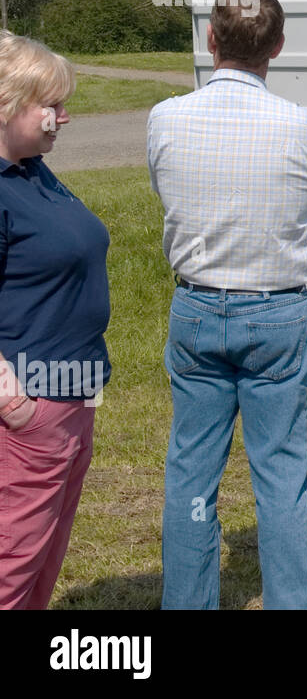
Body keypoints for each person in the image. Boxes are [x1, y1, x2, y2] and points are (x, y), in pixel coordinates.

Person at [148, 0, 307, 610]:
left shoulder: (166, 117)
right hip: (277, 310)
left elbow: (167, 188)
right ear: (278, 48)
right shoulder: (306, 125)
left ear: (211, 39)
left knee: (192, 471)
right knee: (281, 472)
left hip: (199, 306)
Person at [0, 32, 110, 610]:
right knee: (12, 559)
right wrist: (12, 402)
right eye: (53, 105)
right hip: (30, 406)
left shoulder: (31, 170)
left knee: (42, 552)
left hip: (71, 395)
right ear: (10, 102)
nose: (64, 117)